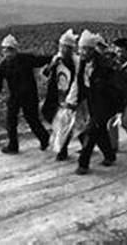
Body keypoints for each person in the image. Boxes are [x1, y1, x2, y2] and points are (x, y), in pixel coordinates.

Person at [65, 30, 120, 175]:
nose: (82, 52)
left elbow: (115, 87)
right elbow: (79, 82)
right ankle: (109, 155)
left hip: (105, 102)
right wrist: (74, 101)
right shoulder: (83, 63)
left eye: (85, 49)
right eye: (81, 49)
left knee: (92, 130)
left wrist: (117, 107)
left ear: (91, 49)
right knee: (99, 130)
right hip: (92, 100)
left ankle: (83, 163)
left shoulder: (104, 65)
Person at [0, 34, 52, 154]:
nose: (7, 52)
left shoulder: (26, 59)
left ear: (15, 50)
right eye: (5, 50)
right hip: (15, 96)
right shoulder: (3, 65)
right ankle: (13, 145)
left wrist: (56, 57)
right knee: (11, 120)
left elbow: (41, 60)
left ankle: (44, 138)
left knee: (32, 119)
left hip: (29, 95)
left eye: (10, 49)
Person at [41, 28, 80, 161]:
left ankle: (63, 150)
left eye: (67, 48)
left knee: (67, 122)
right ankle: (84, 142)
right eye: (62, 47)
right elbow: (46, 73)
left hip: (71, 96)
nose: (63, 50)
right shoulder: (57, 58)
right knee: (58, 120)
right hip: (58, 95)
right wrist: (52, 65)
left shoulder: (77, 62)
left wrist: (72, 98)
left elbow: (77, 80)